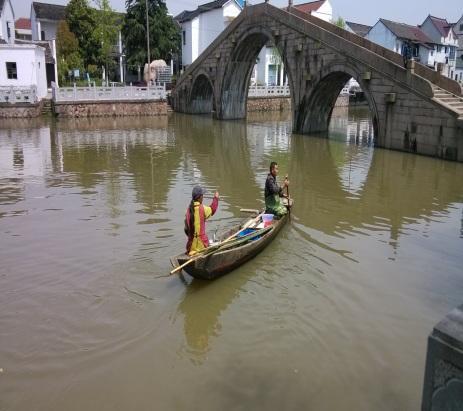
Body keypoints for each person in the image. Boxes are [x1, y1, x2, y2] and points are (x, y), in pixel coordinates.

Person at [184, 186, 219, 256]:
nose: (203, 197)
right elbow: (213, 209)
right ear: (200, 197)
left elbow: (186, 230)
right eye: (202, 195)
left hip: (190, 247)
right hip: (202, 247)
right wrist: (216, 198)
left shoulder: (188, 211)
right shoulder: (202, 209)